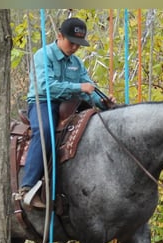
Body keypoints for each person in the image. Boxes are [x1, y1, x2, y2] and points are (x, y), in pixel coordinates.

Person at [20, 17, 112, 209]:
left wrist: (104, 104)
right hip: (43, 102)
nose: (75, 48)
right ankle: (27, 187)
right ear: (60, 36)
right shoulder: (43, 55)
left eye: (79, 44)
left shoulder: (76, 63)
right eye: (72, 42)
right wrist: (79, 87)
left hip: (70, 105)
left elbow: (90, 90)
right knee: (45, 131)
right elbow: (46, 86)